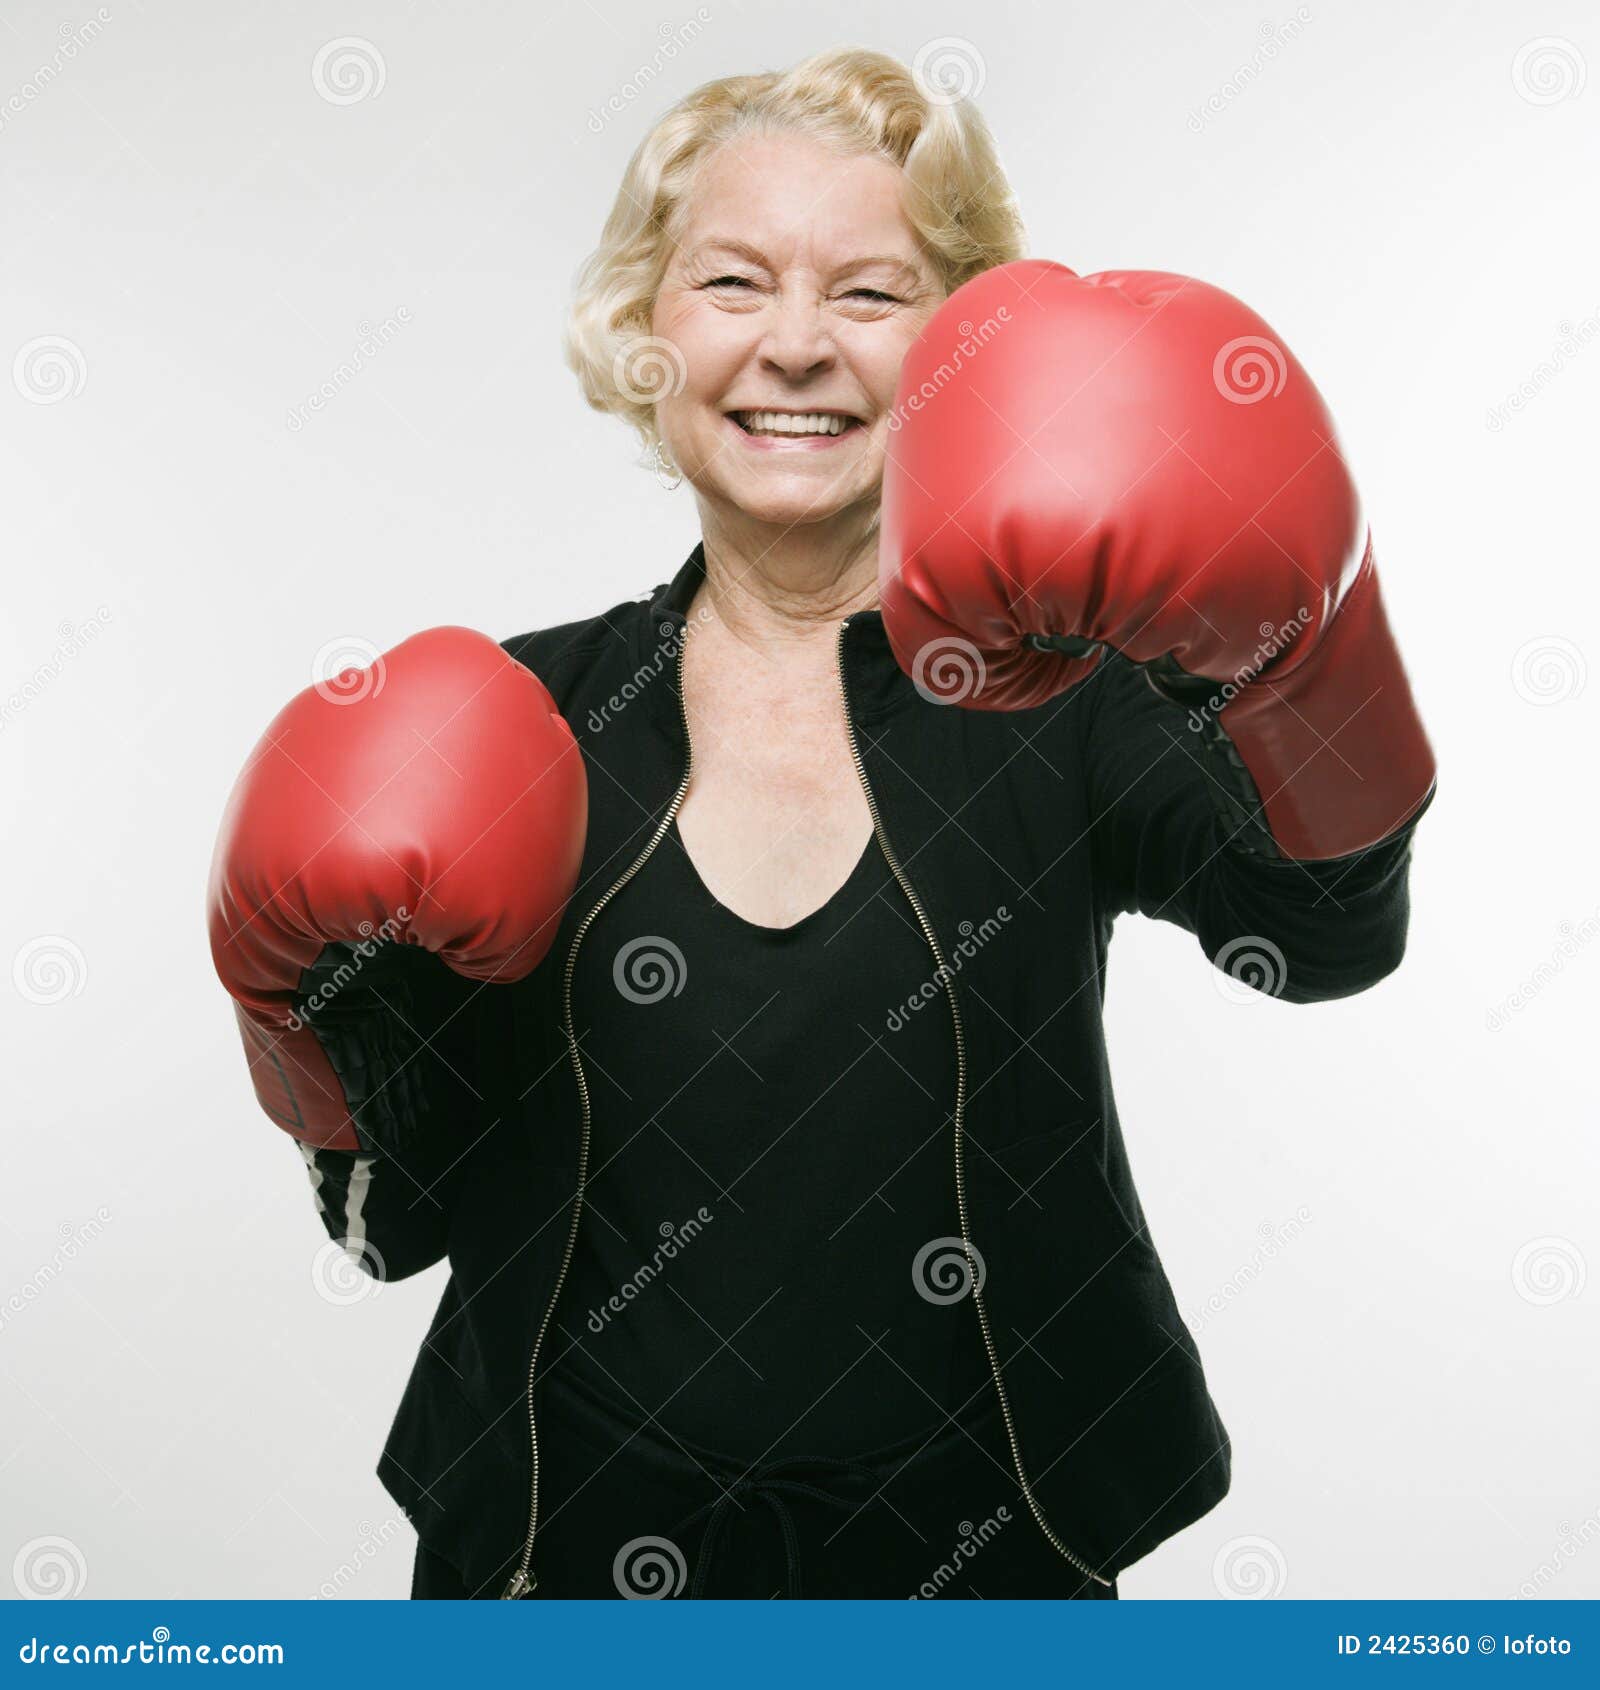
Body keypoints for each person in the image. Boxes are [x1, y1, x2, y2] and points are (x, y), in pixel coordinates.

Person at [207, 46, 1435, 1600]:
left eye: (871, 294)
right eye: (731, 282)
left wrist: (1294, 657)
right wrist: (317, 1017)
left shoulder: (1070, 700)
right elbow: (395, 1220)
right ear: (649, 330)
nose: (796, 346)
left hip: (988, 1554)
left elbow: (1329, 937)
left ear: (961, 356)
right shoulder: (520, 721)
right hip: (557, 1551)